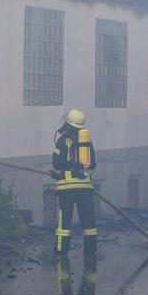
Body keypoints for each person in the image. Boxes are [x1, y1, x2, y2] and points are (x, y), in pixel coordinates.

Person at [52, 109, 97, 255]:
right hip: (85, 188)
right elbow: (93, 163)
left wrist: (58, 173)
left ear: (68, 123)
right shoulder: (87, 140)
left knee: (64, 224)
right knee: (89, 222)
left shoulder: (62, 140)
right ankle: (90, 251)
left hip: (67, 188)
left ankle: (61, 250)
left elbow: (57, 163)